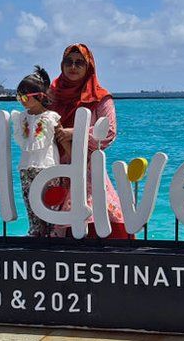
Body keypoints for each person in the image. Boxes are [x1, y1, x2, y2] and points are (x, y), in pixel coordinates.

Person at [48, 43, 127, 239]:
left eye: (79, 63)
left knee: (97, 216)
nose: (73, 67)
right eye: (68, 62)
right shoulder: (52, 94)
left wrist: (73, 133)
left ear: (88, 66)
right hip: (55, 166)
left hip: (88, 167)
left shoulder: (100, 97)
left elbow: (109, 132)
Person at [10, 66, 62, 237]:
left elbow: (61, 139)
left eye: (25, 96)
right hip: (26, 166)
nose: (21, 100)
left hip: (48, 166)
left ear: (40, 96)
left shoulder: (50, 117)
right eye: (19, 96)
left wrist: (76, 163)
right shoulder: (21, 117)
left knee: (50, 202)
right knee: (30, 202)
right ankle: (35, 232)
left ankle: (53, 234)